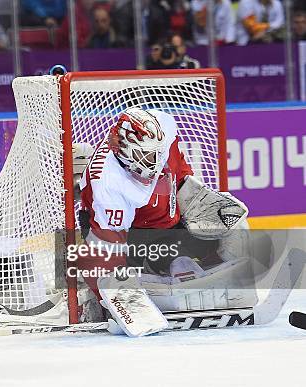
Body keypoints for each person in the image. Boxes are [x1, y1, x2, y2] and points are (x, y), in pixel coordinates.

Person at [75, 108, 249, 336]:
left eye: (157, 153)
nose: (156, 162)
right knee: (108, 272)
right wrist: (115, 297)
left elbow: (176, 164)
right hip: (129, 237)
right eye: (147, 156)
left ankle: (220, 285)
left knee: (233, 223)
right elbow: (105, 250)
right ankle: (97, 296)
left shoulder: (164, 129)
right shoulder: (109, 185)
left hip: (163, 225)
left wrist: (188, 190)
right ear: (125, 152)